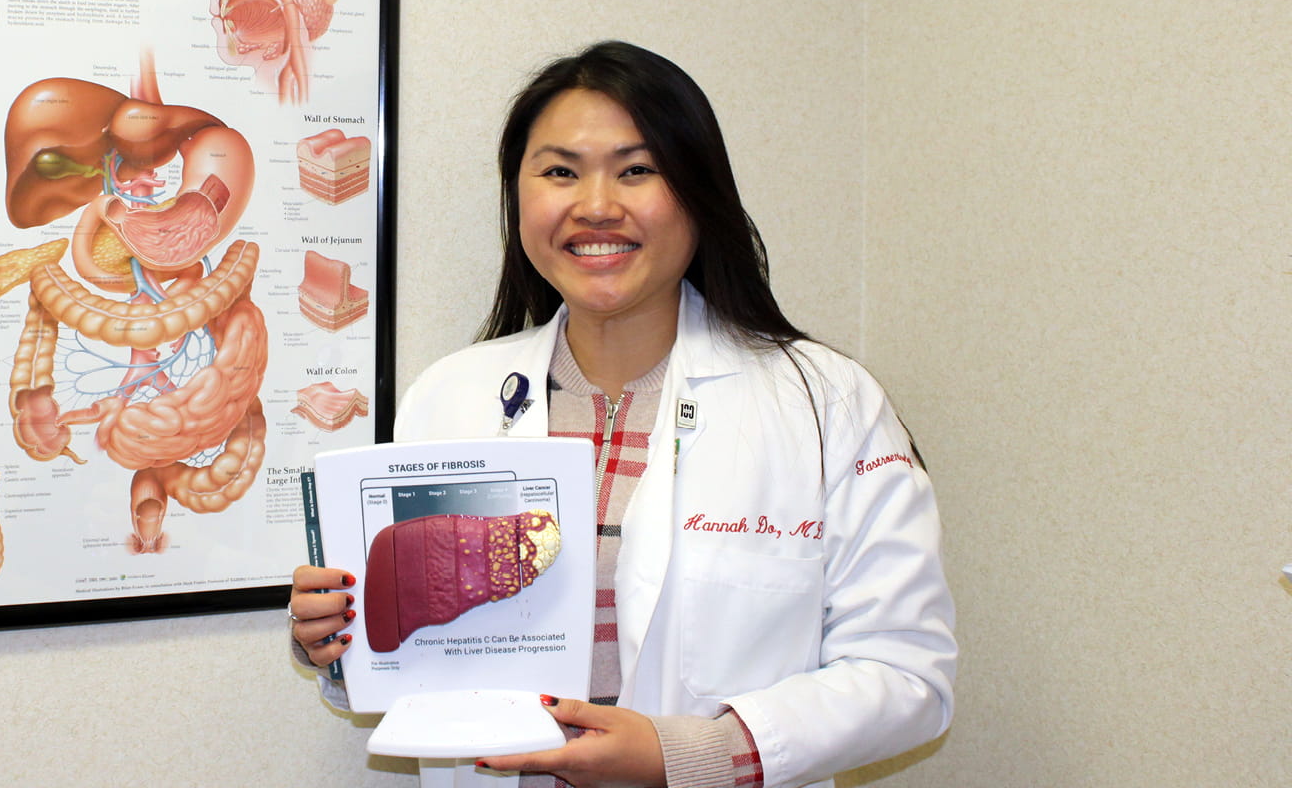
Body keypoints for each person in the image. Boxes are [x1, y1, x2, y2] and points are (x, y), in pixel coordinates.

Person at [289, 41, 955, 788]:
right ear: (519, 198)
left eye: (637, 170)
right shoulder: (450, 396)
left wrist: (688, 755)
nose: (596, 205)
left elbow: (905, 675)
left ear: (699, 194)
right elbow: (417, 663)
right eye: (560, 171)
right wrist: (340, 645)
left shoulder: (825, 401)